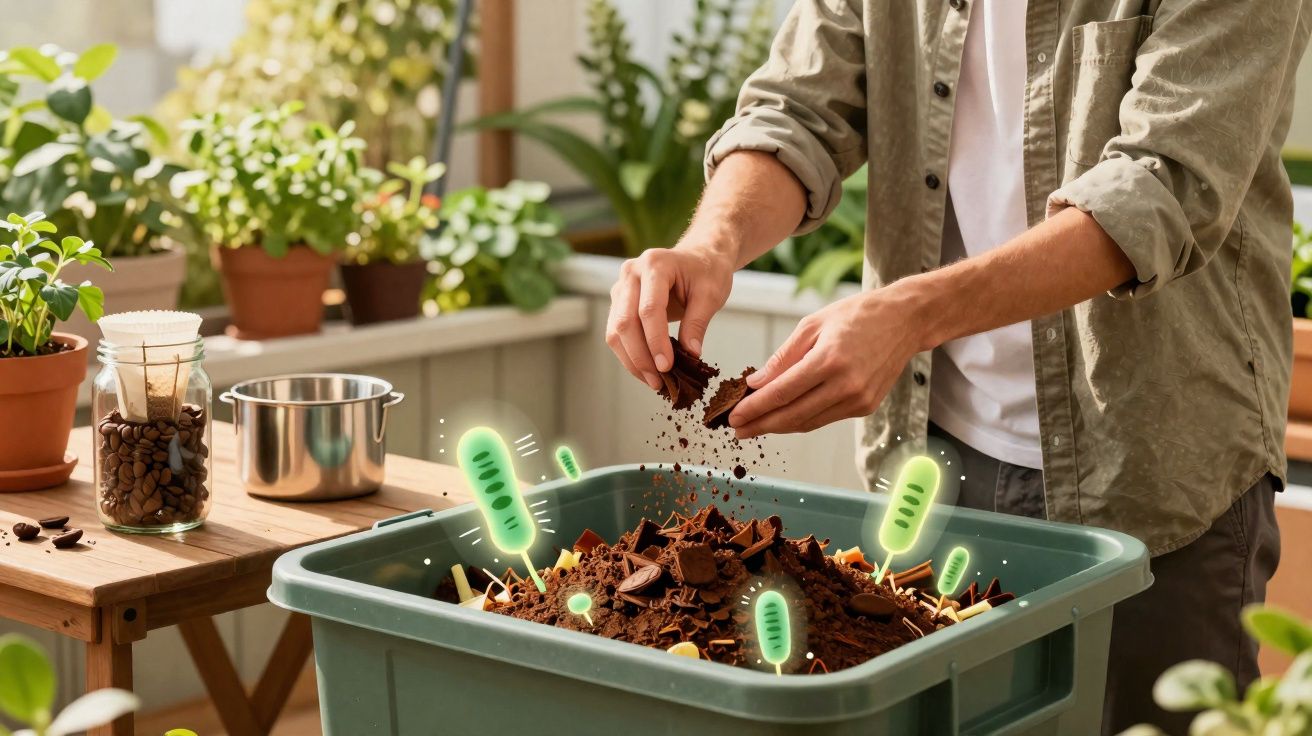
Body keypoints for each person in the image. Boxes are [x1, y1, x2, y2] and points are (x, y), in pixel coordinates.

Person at [603, 1, 1310, 732]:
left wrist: (907, 317)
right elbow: (797, 111)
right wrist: (710, 245)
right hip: (932, 470)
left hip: (1155, 475)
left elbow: (1161, 187)